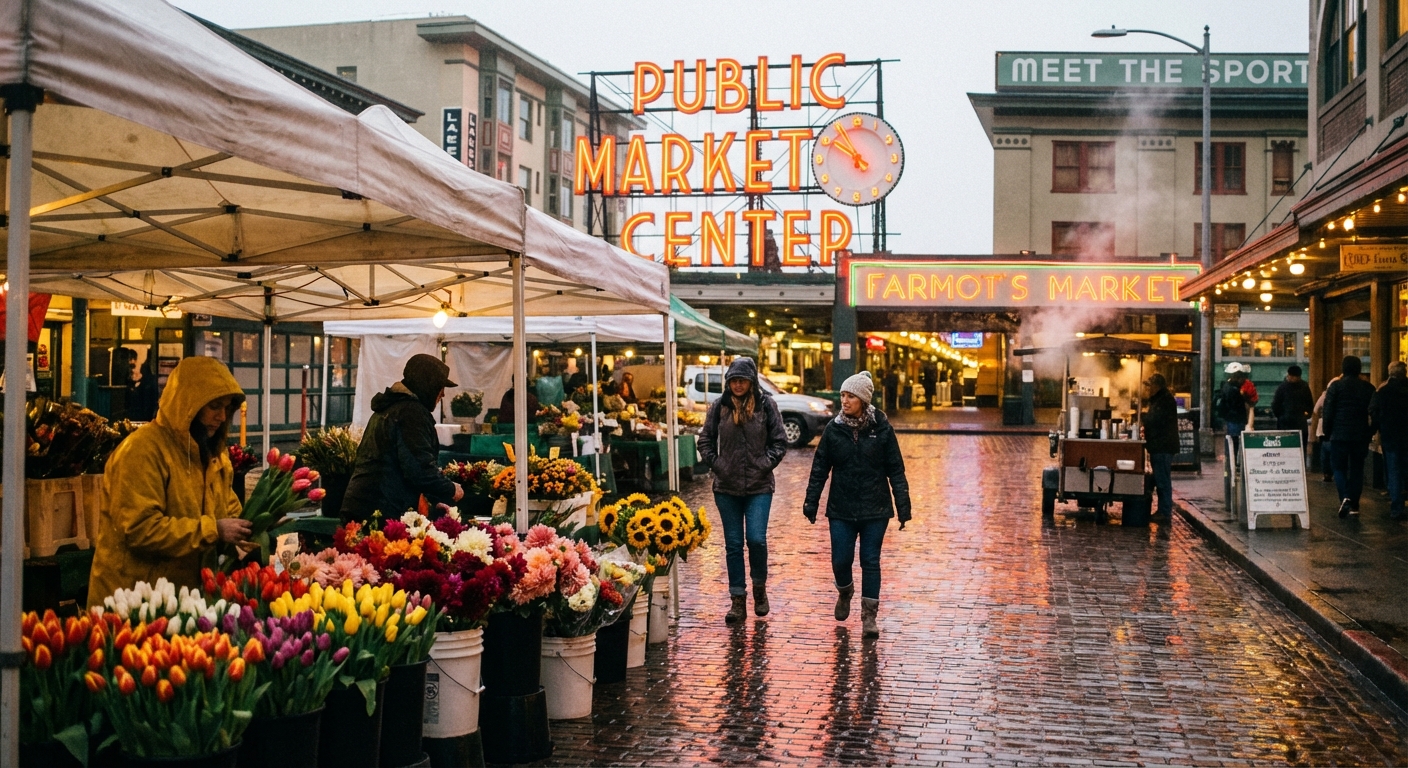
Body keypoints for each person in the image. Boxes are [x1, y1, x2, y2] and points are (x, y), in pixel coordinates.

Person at [88, 357, 252, 605]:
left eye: (227, 408)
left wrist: (259, 523)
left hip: (185, 601)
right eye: (214, 406)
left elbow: (230, 512)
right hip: (133, 602)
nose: (221, 416)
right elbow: (141, 530)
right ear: (188, 405)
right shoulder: (141, 451)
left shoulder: (215, 456)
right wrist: (213, 530)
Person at [802, 371, 910, 638]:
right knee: (841, 560)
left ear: (863, 399)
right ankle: (845, 590)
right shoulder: (833, 429)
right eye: (843, 395)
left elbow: (895, 469)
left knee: (870, 560)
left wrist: (903, 506)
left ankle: (869, 617)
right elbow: (819, 468)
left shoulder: (882, 428)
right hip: (841, 508)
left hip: (876, 507)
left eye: (850, 396)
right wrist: (811, 502)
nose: (845, 400)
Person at [697, 357, 788, 624]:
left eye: (742, 380)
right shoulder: (719, 407)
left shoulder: (766, 405)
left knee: (757, 539)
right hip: (726, 487)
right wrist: (717, 464)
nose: (738, 385)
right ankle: (737, 599)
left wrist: (765, 463)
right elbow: (705, 439)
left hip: (759, 486)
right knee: (734, 545)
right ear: (728, 382)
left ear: (751, 381)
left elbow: (779, 441)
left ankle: (759, 588)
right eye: (733, 380)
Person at [343, 354, 463, 522]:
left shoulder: (389, 407)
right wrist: (450, 489)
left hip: (363, 505)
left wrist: (432, 500)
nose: (442, 394)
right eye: (440, 387)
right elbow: (418, 468)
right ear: (428, 385)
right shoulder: (411, 413)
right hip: (381, 511)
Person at [1322, 355, 1376, 519]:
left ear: (1343, 368)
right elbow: (1374, 412)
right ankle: (1355, 504)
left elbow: (1328, 411)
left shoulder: (1336, 387)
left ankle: (1345, 497)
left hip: (1339, 434)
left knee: (1338, 468)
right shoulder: (1368, 388)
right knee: (1357, 469)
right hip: (1360, 434)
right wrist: (1370, 431)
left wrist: (1327, 431)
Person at [1370, 361, 1408, 520]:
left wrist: (1376, 429)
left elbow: (1373, 410)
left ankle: (1397, 507)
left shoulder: (1383, 391)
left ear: (1390, 373)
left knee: (1393, 470)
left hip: (1390, 436)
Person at [1141, 373, 1179, 524]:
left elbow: (1155, 420)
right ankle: (1163, 511)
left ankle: (1164, 512)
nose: (1148, 389)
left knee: (1162, 480)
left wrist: (1143, 416)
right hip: (1159, 445)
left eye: (1149, 386)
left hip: (1163, 446)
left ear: (1156, 386)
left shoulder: (1164, 401)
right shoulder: (1159, 400)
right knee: (1161, 479)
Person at [1272, 365, 1314, 443]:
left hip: (1285, 424)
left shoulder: (1282, 387)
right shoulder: (1304, 387)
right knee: (1300, 446)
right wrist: (1305, 415)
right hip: (1299, 423)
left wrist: (1281, 416)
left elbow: (1275, 405)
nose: (1290, 377)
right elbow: (1309, 404)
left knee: (1285, 445)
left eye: (1292, 376)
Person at [1218, 363, 1251, 444]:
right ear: (1236, 376)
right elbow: (1237, 407)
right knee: (1234, 442)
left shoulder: (1227, 387)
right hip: (1235, 420)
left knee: (1231, 442)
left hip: (1231, 420)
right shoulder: (1234, 390)